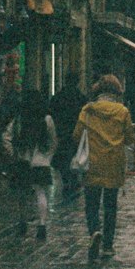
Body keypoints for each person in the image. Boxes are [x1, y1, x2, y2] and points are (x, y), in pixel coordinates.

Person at [73, 74, 135, 262]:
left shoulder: (88, 110)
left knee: (91, 204)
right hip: (114, 163)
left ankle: (94, 231)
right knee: (110, 206)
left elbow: (77, 135)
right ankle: (108, 246)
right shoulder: (122, 111)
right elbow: (130, 137)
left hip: (92, 163)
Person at [5, 87, 57, 242]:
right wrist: (48, 156)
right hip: (41, 161)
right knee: (41, 192)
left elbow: (6, 137)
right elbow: (53, 140)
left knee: (22, 194)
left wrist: (13, 153)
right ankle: (42, 225)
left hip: (23, 160)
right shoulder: (46, 119)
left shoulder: (19, 119)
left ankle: (23, 222)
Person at [50, 70, 87, 198]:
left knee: (63, 159)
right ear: (77, 82)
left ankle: (66, 181)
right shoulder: (81, 98)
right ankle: (74, 180)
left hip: (61, 132)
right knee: (75, 157)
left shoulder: (58, 97)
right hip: (76, 133)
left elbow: (52, 113)